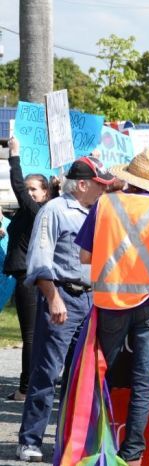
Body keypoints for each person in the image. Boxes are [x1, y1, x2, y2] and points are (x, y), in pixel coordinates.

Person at [75, 149, 149, 466]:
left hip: (110, 303)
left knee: (99, 377)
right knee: (143, 381)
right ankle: (132, 454)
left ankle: (94, 444)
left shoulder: (105, 203)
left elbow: (83, 256)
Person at [16, 157, 113, 462]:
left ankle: (69, 441)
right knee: (47, 372)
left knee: (80, 377)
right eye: (100, 184)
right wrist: (53, 297)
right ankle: (30, 440)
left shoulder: (98, 212)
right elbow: (40, 258)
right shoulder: (55, 210)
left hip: (90, 300)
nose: (104, 189)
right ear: (83, 184)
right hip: (62, 297)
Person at [4, 137, 52, 402]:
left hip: (29, 278)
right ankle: (31, 385)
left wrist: (14, 156)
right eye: (29, 189)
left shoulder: (37, 210)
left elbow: (18, 190)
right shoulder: (27, 213)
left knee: (30, 336)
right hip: (25, 277)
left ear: (45, 193)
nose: (29, 193)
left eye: (34, 189)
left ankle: (25, 388)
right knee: (34, 334)